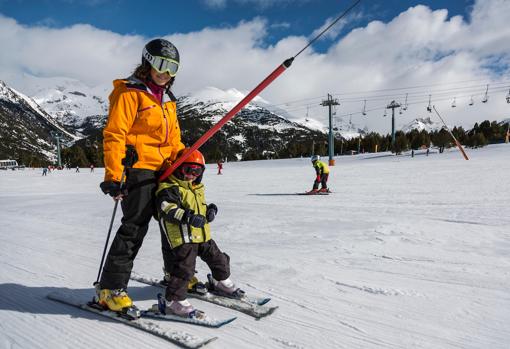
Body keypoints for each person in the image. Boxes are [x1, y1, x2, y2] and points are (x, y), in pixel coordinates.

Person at [97, 38, 185, 312]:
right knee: (134, 227)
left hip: (165, 170)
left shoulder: (168, 100)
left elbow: (175, 141)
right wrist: (114, 175)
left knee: (175, 225)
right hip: (138, 170)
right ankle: (110, 288)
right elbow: (114, 135)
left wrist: (184, 162)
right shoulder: (129, 92)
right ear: (147, 62)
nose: (165, 73)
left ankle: (177, 276)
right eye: (161, 65)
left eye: (172, 68)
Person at [156, 149, 241, 317]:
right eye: (188, 170)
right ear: (178, 168)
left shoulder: (196, 188)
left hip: (202, 235)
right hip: (183, 237)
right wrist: (188, 217)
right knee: (185, 269)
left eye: (197, 171)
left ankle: (220, 281)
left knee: (219, 259)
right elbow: (167, 208)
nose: (192, 175)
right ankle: (174, 301)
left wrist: (210, 210)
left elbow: (199, 206)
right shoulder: (169, 188)